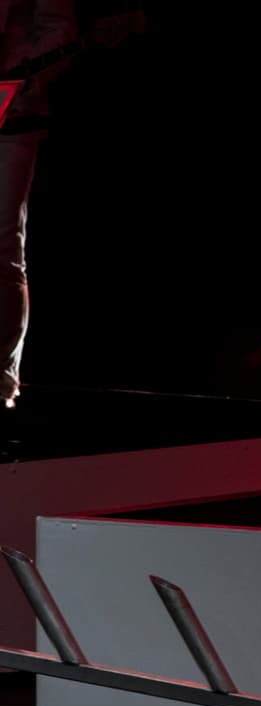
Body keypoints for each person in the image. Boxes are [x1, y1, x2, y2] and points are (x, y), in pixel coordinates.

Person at [0, 0, 78, 413]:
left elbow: (61, 30)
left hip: (13, 118)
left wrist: (22, 79)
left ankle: (1, 382)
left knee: (3, 249)